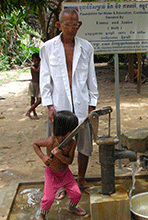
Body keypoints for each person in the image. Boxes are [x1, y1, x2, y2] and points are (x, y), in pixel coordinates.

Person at [39, 8, 99, 197]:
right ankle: (61, 181)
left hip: (82, 105)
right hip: (60, 106)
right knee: (59, 146)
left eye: (75, 24)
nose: (71, 28)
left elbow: (91, 78)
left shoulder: (86, 47)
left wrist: (92, 105)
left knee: (84, 145)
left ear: (79, 25)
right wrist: (49, 105)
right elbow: (45, 78)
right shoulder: (48, 48)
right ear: (59, 25)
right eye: (67, 25)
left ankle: (80, 178)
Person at [32, 111, 86, 219]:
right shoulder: (51, 141)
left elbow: (69, 161)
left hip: (65, 174)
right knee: (48, 198)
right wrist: (43, 157)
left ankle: (71, 208)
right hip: (51, 174)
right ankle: (42, 215)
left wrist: (60, 156)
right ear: (65, 131)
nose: (74, 134)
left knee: (76, 194)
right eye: (72, 131)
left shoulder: (72, 143)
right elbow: (35, 144)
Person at [25, 52, 41, 119]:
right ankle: (33, 112)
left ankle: (29, 111)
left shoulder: (39, 66)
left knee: (39, 100)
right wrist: (41, 65)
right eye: (34, 60)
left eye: (37, 60)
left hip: (38, 84)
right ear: (32, 61)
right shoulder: (32, 67)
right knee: (32, 99)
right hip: (33, 84)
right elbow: (37, 71)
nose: (36, 62)